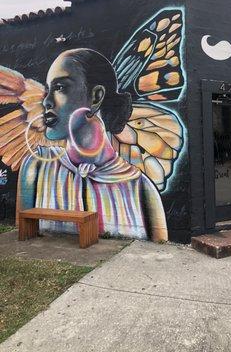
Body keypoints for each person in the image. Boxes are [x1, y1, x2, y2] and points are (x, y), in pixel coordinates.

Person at [18, 48, 168, 242]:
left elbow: (160, 248)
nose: (46, 101)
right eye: (48, 90)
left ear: (96, 97)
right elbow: (22, 230)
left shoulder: (141, 188)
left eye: (60, 87)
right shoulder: (36, 166)